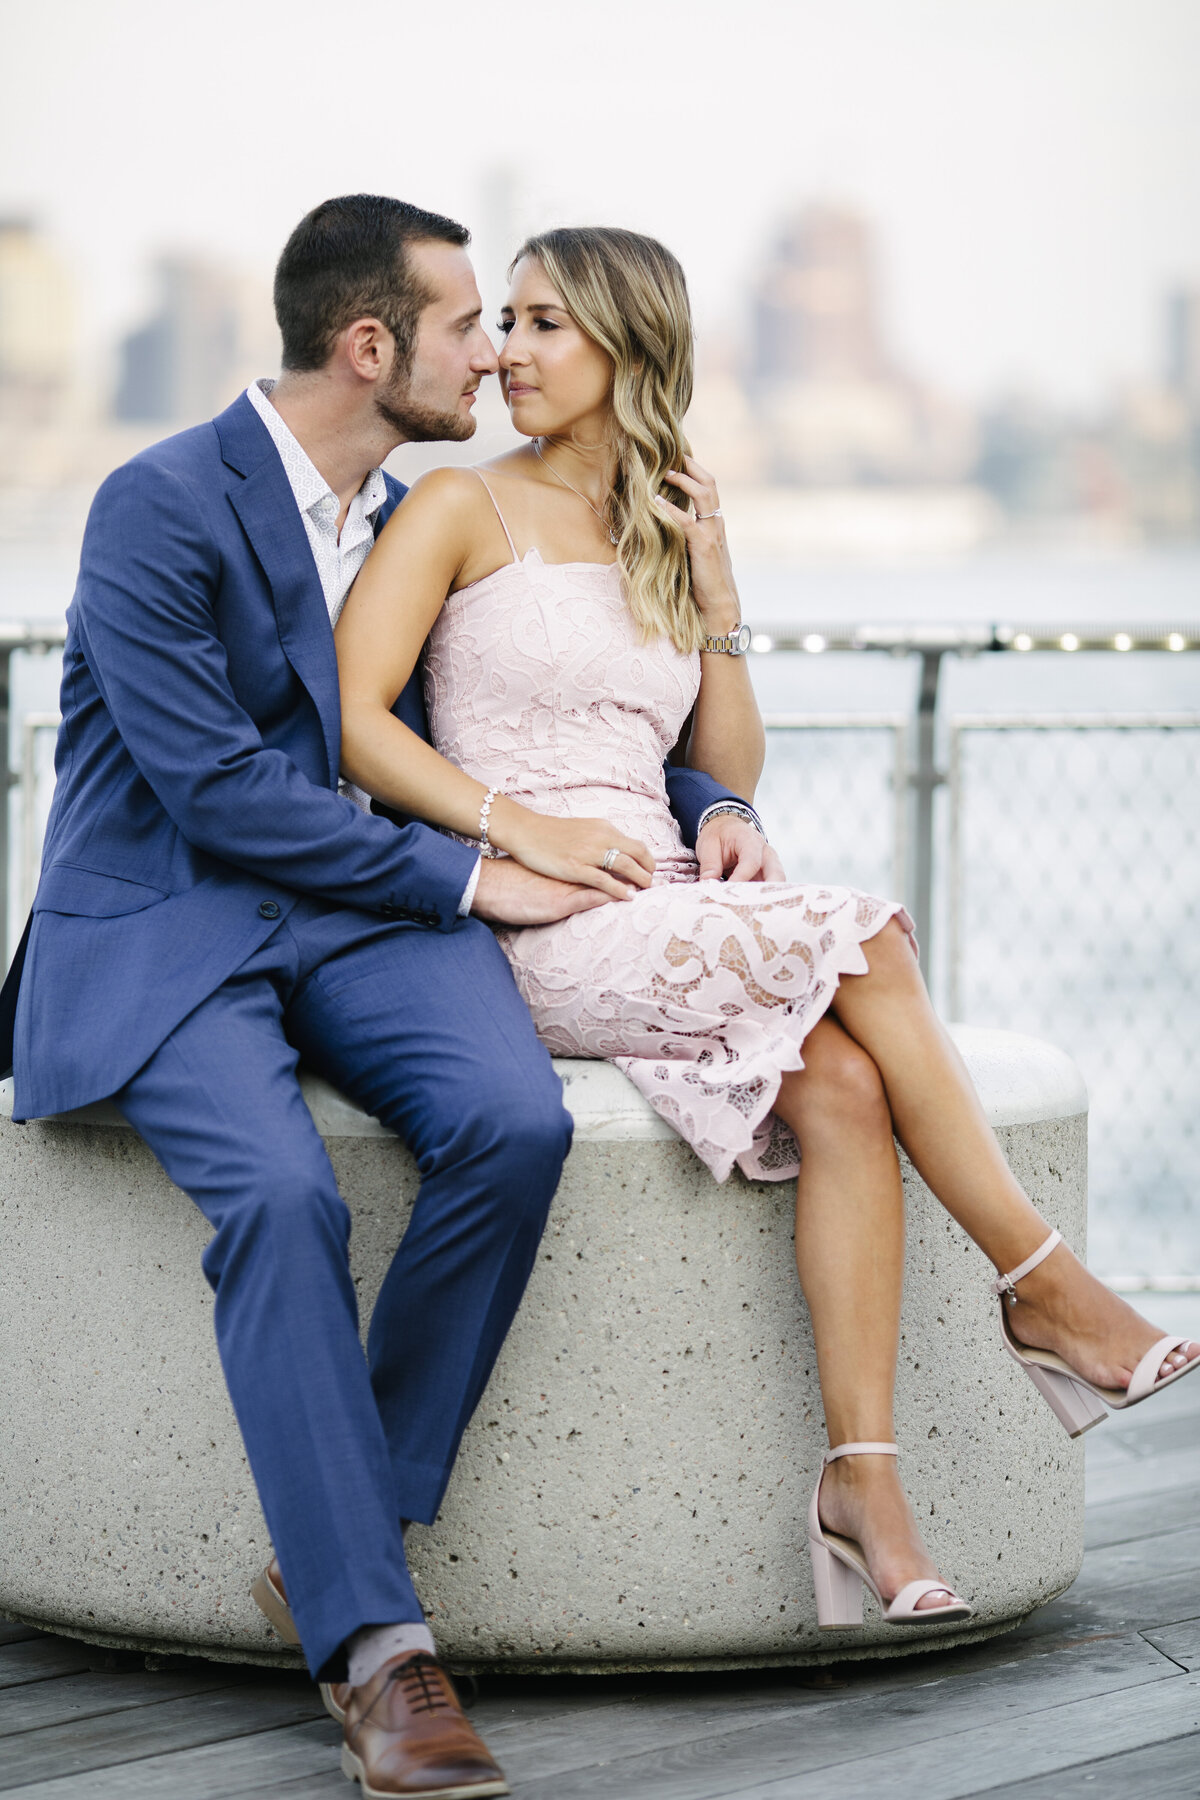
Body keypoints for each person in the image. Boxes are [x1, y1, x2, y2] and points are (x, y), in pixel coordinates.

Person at [0, 197, 772, 1800]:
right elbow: (215, 789)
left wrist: (705, 790)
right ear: (371, 348)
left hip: (360, 918)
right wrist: (481, 874)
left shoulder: (421, 506)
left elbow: (538, 701)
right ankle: (375, 1647)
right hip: (181, 921)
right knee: (283, 1194)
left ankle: (341, 1526)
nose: (495, 353)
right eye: (468, 326)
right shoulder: (157, 503)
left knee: (511, 1121)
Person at [335, 224, 1200, 1634]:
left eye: (547, 325)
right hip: (531, 919)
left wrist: (719, 612)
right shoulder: (452, 507)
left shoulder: (664, 516)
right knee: (867, 940)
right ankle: (1049, 1292)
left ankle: (867, 1492)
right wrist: (515, 826)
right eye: (507, 320)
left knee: (847, 1085)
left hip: (662, 894)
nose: (509, 352)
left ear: (631, 345)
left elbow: (722, 754)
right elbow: (358, 724)